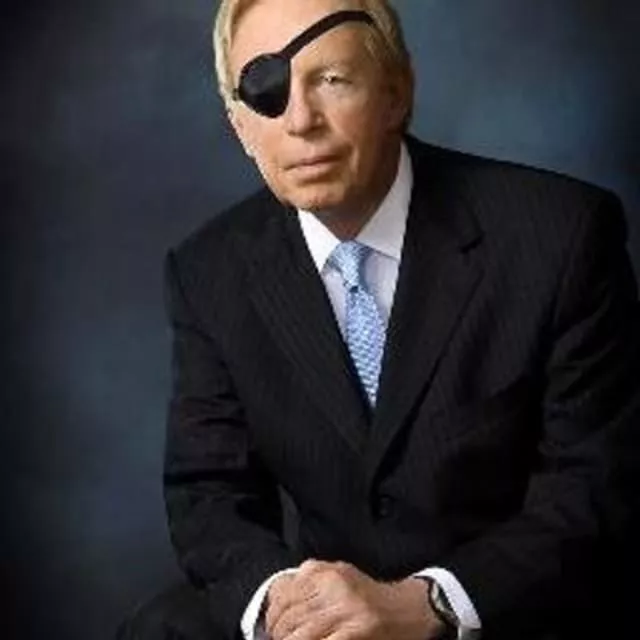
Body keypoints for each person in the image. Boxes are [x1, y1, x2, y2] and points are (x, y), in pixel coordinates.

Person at [118, 0, 640, 638]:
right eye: (266, 94)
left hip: (507, 607)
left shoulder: (558, 235)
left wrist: (431, 604)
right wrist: (287, 608)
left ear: (397, 92)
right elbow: (210, 494)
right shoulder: (209, 272)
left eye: (333, 80)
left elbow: (595, 482)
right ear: (240, 127)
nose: (301, 121)